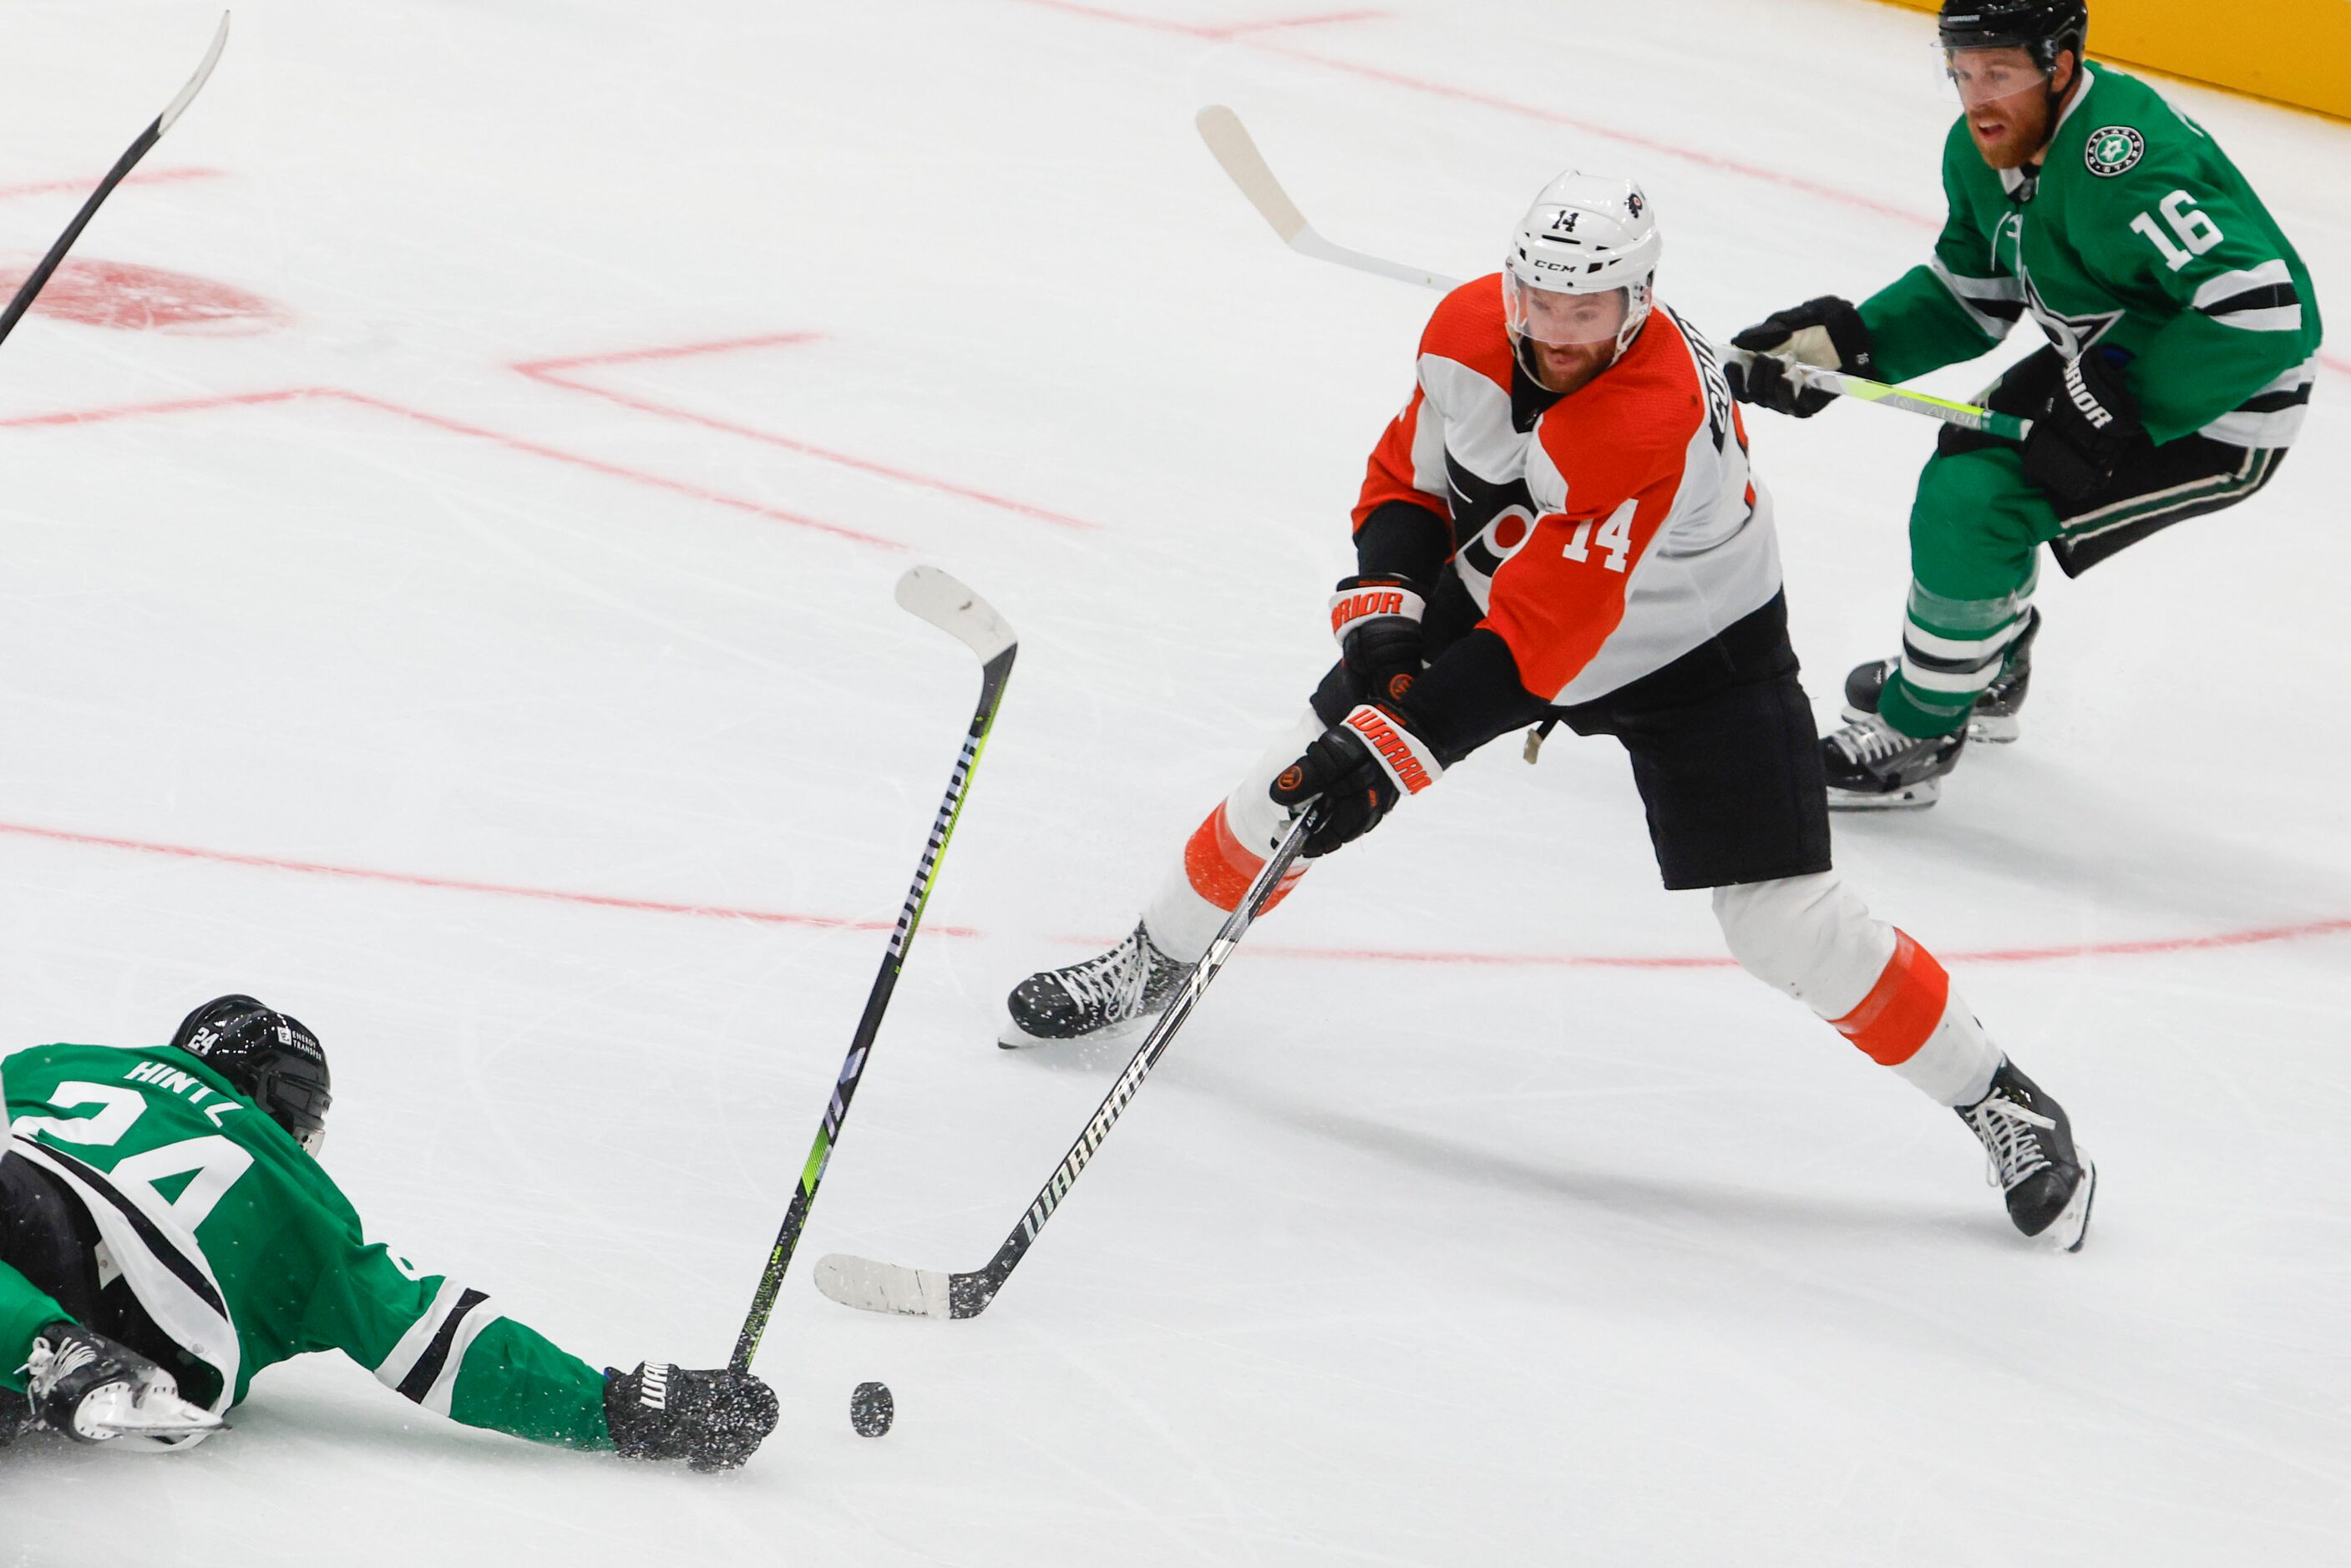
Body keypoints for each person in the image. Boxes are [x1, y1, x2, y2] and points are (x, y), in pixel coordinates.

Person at [1000, 174, 2096, 1249]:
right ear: (1510, 284)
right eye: (1540, 302)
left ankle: (1996, 1098)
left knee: (1783, 921)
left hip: (1692, 646)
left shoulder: (1643, 412)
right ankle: (1151, 957)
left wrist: (1383, 761)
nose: (1558, 331)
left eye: (1590, 310)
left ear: (1639, 300)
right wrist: (1384, 618)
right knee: (1286, 777)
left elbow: (1542, 639)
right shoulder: (1465, 330)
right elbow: (1410, 476)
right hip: (1516, 584)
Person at [1726, 0, 2320, 808]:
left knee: (1976, 504)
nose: (1975, 96)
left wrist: (2126, 408)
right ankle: (1987, 661)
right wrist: (1849, 345)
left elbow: (2262, 312)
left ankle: (1922, 727)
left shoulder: (2124, 161)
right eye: (1960, 70)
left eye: (1998, 72)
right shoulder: (1984, 148)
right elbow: (1974, 298)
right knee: (1969, 469)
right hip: (2114, 355)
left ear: (2061, 66)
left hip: (2224, 404)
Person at [0, 995, 777, 1468]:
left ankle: (42, 1343)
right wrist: (617, 1407)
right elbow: (434, 1335)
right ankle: (49, 1346)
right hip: (106, 1301)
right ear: (285, 1101)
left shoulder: (58, 1062)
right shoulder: (301, 1199)